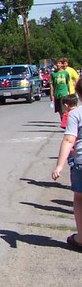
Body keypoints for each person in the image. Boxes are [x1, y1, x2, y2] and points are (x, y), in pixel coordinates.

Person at [51, 79, 82, 251]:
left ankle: (81, 238)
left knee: (79, 198)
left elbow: (69, 139)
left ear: (78, 95)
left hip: (81, 162)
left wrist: (59, 166)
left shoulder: (76, 114)